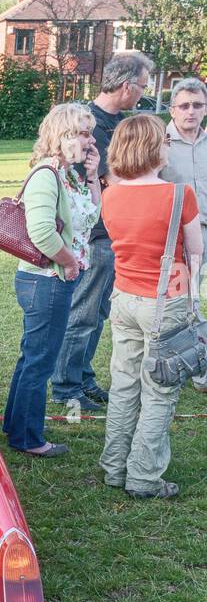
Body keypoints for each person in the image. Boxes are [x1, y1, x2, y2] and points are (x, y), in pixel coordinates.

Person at [100, 115, 202, 498]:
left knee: (124, 384)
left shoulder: (110, 194)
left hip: (124, 298)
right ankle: (143, 476)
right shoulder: (179, 195)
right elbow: (194, 253)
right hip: (165, 301)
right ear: (153, 148)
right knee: (159, 390)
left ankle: (114, 466)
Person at [51, 51, 154, 411]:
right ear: (126, 85)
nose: (144, 92)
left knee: (97, 314)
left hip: (116, 232)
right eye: (142, 85)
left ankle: (82, 376)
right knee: (82, 313)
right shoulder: (87, 123)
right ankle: (66, 387)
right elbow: (111, 179)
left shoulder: (122, 122)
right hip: (93, 237)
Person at [2, 103, 101, 457]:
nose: (91, 140)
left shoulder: (70, 174)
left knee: (33, 356)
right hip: (45, 280)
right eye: (84, 133)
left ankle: (16, 427)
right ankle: (28, 438)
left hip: (54, 278)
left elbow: (90, 218)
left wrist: (93, 177)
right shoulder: (47, 174)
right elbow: (41, 230)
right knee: (40, 359)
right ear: (64, 136)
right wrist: (69, 263)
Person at [160, 77, 207, 283]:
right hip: (171, 235)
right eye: (184, 106)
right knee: (172, 296)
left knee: (196, 293)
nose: (191, 111)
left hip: (204, 230)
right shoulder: (158, 143)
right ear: (172, 110)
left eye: (197, 105)